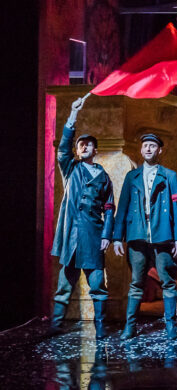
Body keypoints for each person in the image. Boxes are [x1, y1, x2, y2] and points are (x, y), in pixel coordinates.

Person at [48, 95, 115, 338]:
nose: (84, 147)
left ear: (95, 150)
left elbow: (109, 208)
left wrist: (107, 235)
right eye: (81, 145)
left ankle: (100, 326)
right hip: (72, 236)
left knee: (97, 284)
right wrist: (73, 114)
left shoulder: (103, 177)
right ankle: (56, 324)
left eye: (88, 144)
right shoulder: (71, 168)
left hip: (93, 235)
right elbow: (62, 149)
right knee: (65, 284)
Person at [113, 133, 177, 340]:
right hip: (137, 233)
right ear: (141, 149)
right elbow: (122, 207)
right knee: (136, 282)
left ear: (159, 150)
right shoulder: (132, 176)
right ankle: (130, 327)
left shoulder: (169, 176)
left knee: (167, 280)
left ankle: (170, 325)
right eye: (145, 145)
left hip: (162, 233)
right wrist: (117, 237)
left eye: (152, 146)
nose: (148, 149)